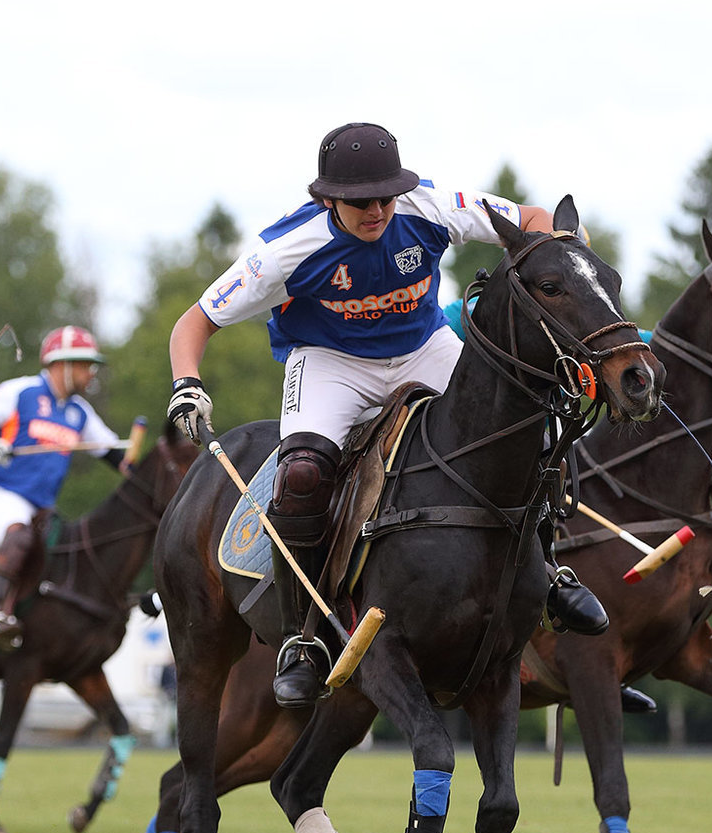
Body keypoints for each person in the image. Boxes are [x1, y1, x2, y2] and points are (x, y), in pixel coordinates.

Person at [165, 121, 607, 709]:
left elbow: (529, 219)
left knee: (528, 424)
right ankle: (303, 638)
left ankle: (548, 573)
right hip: (332, 363)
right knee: (300, 475)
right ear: (328, 198)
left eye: (385, 196)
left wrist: (555, 256)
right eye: (359, 201)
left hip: (423, 348)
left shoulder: (428, 205)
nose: (376, 210)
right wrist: (187, 386)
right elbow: (195, 321)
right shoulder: (286, 248)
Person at [0, 324, 123, 652]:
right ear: (61, 365)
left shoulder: (80, 413)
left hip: (42, 509)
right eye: (84, 365)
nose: (91, 374)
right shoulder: (22, 392)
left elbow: (115, 455)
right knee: (17, 535)